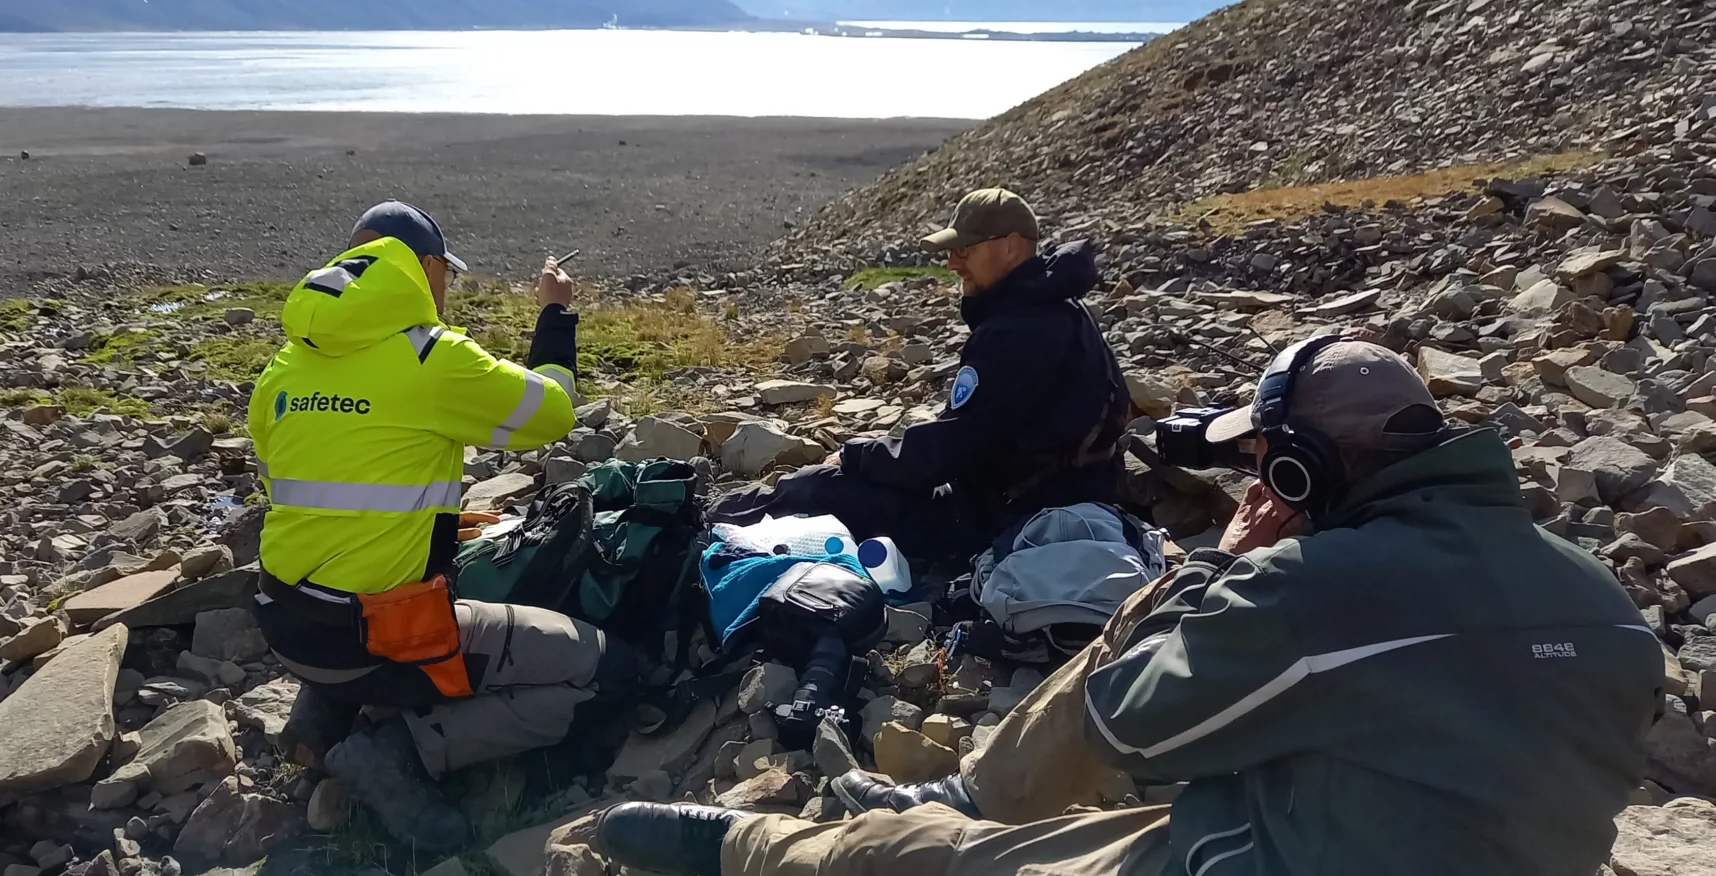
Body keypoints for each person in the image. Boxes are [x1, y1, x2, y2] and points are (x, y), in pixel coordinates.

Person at [586, 338, 1664, 876]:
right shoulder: (1605, 598)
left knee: (942, 860)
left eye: (1268, 464)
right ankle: (972, 789)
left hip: (1263, 856)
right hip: (1380, 827)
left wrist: (1213, 572)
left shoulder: (1313, 586)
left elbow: (1133, 723)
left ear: (1293, 477)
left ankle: (760, 848)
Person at [247, 201, 638, 848]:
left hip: (283, 623)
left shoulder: (284, 368)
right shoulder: (432, 358)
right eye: (446, 274)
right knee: (606, 671)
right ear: (426, 267)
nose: (447, 289)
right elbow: (554, 412)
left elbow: (296, 485)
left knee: (369, 591)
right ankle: (405, 750)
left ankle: (322, 716)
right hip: (380, 636)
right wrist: (555, 314)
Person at [710, 188, 1130, 563]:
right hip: (1045, 497)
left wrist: (855, 454)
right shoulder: (1058, 308)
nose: (953, 262)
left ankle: (704, 519)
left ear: (1012, 247)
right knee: (831, 479)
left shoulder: (1020, 330)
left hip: (1008, 521)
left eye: (965, 249)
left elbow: (949, 450)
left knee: (818, 488)